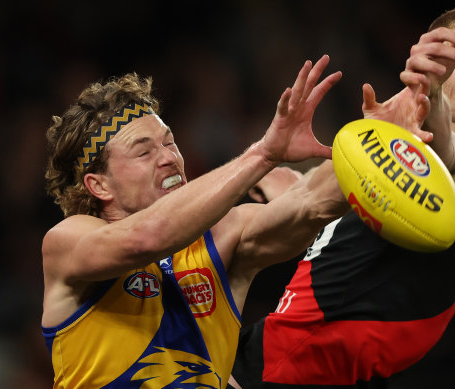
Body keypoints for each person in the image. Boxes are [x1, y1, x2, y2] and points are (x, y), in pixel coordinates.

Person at [230, 5, 455, 388]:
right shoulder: (449, 155)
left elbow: (316, 198)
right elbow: (446, 150)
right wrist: (430, 94)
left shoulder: (388, 185)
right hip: (269, 375)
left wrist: (286, 183)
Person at [41, 55, 354, 388]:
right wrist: (262, 154)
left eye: (170, 142)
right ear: (99, 185)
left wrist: (389, 139)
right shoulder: (68, 242)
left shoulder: (222, 236)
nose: (168, 158)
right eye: (144, 152)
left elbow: (312, 203)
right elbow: (145, 237)